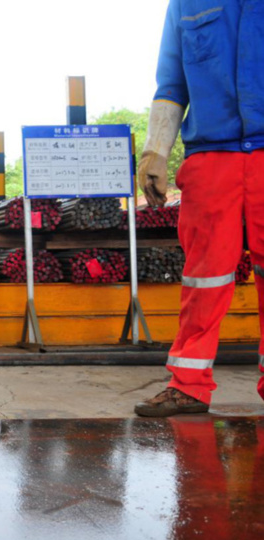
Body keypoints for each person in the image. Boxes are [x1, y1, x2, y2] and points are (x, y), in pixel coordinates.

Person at [134, 1, 264, 417]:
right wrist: (155, 151)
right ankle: (187, 385)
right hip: (211, 157)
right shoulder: (186, 4)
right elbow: (171, 82)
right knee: (203, 279)